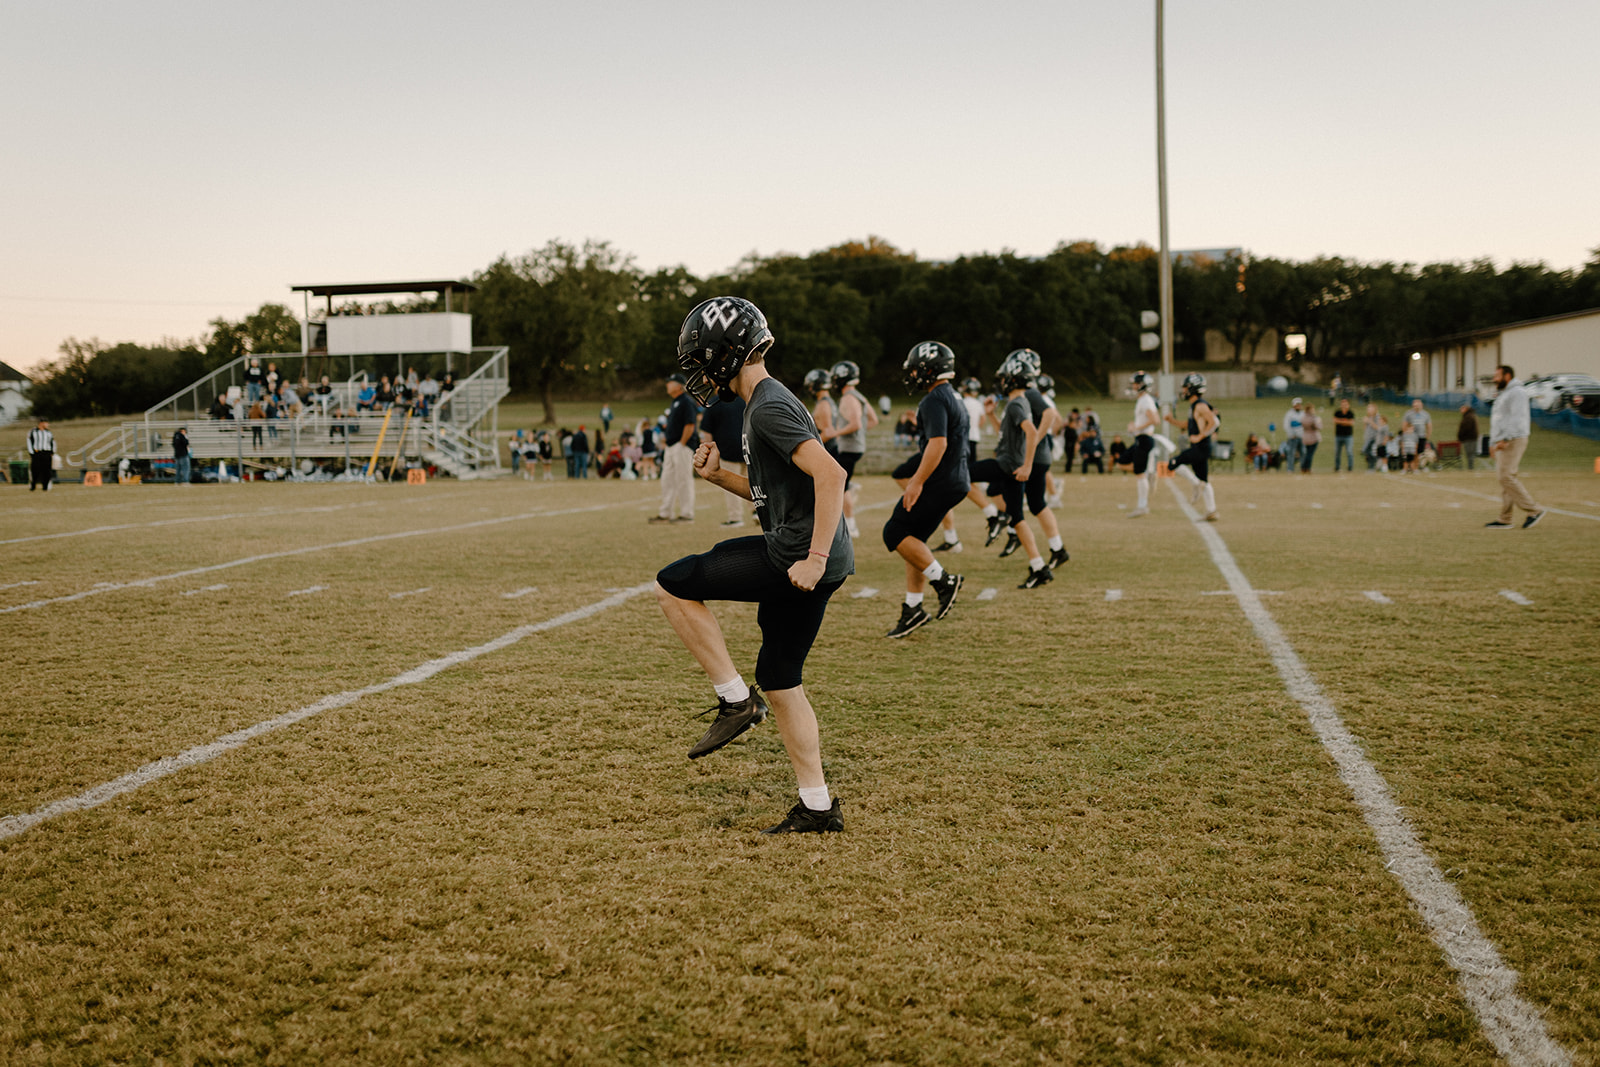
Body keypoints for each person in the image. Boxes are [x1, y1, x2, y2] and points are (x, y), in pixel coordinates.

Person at [655, 296, 852, 834]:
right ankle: (817, 806)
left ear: (725, 353)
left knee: (673, 585)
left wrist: (811, 558)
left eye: (700, 358)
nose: (697, 371)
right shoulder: (763, 400)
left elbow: (831, 476)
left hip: (798, 557)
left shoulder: (765, 405)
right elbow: (776, 493)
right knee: (782, 678)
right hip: (817, 556)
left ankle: (735, 701)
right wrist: (721, 478)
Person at [883, 341, 968, 638]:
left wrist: (916, 481)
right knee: (913, 539)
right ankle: (913, 608)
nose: (914, 375)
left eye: (918, 369)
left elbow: (938, 443)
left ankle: (943, 581)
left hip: (941, 480)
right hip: (956, 478)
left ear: (932, 370)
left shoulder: (933, 400)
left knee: (894, 532)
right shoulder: (953, 396)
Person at [967, 355, 1054, 589]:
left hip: (1007, 465)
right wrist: (993, 414)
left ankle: (992, 515)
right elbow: (1005, 435)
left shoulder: (1017, 404)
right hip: (1011, 467)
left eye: (1006, 377)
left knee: (959, 474)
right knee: (1018, 518)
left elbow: (1032, 433)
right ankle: (1039, 567)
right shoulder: (1017, 402)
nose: (1002, 381)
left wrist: (1027, 465)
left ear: (1014, 379)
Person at [1484, 365, 1546, 530]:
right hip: (1503, 440)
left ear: (1507, 375)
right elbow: (1499, 419)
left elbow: (1516, 418)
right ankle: (1505, 518)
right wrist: (1493, 442)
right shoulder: (1505, 393)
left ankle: (1534, 510)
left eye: (1497, 376)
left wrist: (1506, 438)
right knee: (1505, 478)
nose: (1494, 379)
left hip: (1513, 439)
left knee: (1506, 477)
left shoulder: (1517, 392)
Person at [830, 360, 878, 540]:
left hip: (848, 448)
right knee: (842, 485)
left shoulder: (848, 398)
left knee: (840, 488)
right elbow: (872, 420)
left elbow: (856, 424)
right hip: (855, 447)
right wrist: (859, 435)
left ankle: (851, 526)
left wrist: (837, 433)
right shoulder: (859, 396)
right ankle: (848, 523)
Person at [1163, 372, 1219, 521]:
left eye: (1186, 387)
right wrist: (1171, 421)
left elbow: (1214, 422)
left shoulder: (1200, 405)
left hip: (1200, 447)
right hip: (1201, 448)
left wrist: (1200, 436)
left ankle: (1194, 484)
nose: (1184, 391)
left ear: (1194, 388)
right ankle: (1211, 510)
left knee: (1172, 464)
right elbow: (1188, 425)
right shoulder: (1194, 406)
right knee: (1204, 480)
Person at [651, 373, 700, 522]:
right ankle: (666, 512)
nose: (667, 385)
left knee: (683, 479)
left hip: (682, 445)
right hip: (671, 446)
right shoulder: (675, 402)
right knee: (667, 480)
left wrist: (682, 443)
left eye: (670, 382)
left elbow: (690, 424)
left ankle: (687, 513)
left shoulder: (686, 402)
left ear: (679, 385)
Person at [699, 392, 750, 526]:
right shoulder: (744, 400)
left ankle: (736, 517)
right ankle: (757, 512)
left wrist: (708, 453)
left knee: (730, 485)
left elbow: (707, 432)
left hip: (726, 450)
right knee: (752, 482)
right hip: (747, 447)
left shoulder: (714, 403)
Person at [1124, 371, 1161, 516]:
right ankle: (1149, 474)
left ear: (1142, 385)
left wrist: (1136, 428)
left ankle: (1142, 506)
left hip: (1145, 438)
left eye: (1135, 383)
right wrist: (1135, 426)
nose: (1133, 386)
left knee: (1139, 473)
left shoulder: (1146, 400)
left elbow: (1155, 420)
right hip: (1141, 438)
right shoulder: (1142, 399)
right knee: (1122, 462)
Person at [27, 417, 55, 491]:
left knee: (46, 470)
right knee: (35, 469)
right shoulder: (33, 432)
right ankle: (33, 485)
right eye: (46, 423)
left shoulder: (49, 433)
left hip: (46, 453)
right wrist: (31, 452)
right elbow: (29, 442)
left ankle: (45, 486)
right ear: (41, 423)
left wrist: (52, 452)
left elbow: (52, 442)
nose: (48, 425)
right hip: (37, 453)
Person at [1332, 398, 1357, 471]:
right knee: (1337, 452)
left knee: (1349, 451)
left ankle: (1350, 467)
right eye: (1343, 404)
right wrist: (1345, 421)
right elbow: (1335, 421)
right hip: (1338, 435)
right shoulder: (1337, 412)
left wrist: (1341, 421)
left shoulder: (1350, 413)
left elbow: (1351, 423)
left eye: (1346, 404)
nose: (1344, 405)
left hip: (1348, 436)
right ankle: (1337, 467)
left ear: (1348, 405)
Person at [1282, 398, 1305, 471]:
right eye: (1297, 405)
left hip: (1301, 437)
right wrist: (1291, 434)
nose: (1298, 406)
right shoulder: (1289, 414)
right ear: (1293, 406)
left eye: (1299, 405)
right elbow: (1286, 425)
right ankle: (1290, 469)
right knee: (1291, 453)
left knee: (1303, 452)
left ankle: (1303, 468)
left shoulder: (1303, 413)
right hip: (1293, 437)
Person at [1299, 403, 1322, 473]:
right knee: (1310, 454)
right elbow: (1318, 427)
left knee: (1307, 453)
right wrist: (1319, 422)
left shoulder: (1303, 418)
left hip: (1305, 437)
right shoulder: (1314, 418)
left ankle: (1303, 467)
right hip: (1313, 437)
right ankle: (1307, 468)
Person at [1457, 403, 1480, 470]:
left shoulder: (1469, 417)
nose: (1460, 410)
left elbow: (1466, 428)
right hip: (1470, 438)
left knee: (1470, 454)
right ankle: (1470, 467)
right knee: (1469, 454)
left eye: (1462, 408)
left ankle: (1471, 468)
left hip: (1469, 438)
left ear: (1466, 409)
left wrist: (1461, 436)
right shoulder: (1468, 416)